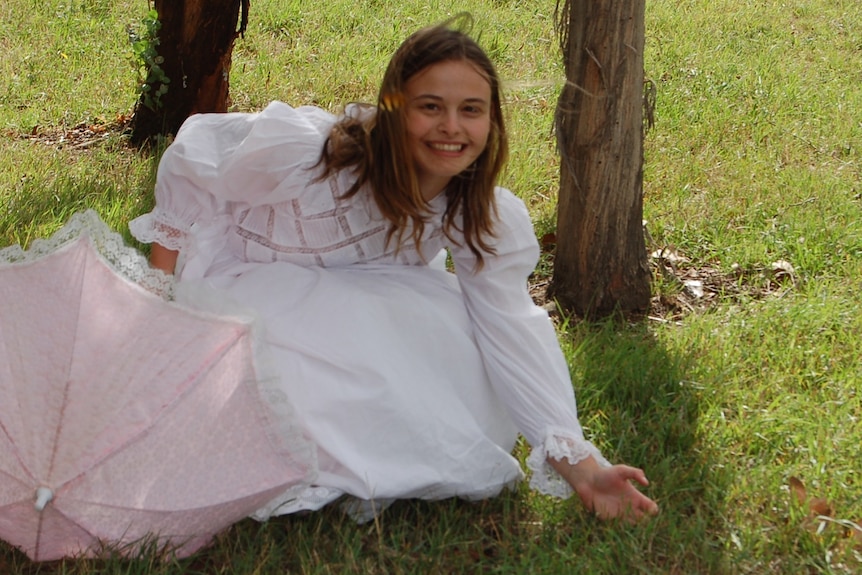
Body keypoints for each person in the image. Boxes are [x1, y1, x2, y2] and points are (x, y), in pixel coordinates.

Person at [130, 17, 659, 522]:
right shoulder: (318, 153)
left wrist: (582, 469)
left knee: (455, 349)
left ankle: (371, 460)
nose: (452, 127)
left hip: (361, 292)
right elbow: (193, 162)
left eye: (471, 110)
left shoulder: (476, 214)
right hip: (246, 277)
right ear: (393, 109)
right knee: (286, 377)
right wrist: (162, 301)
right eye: (431, 107)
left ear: (492, 121)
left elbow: (510, 328)